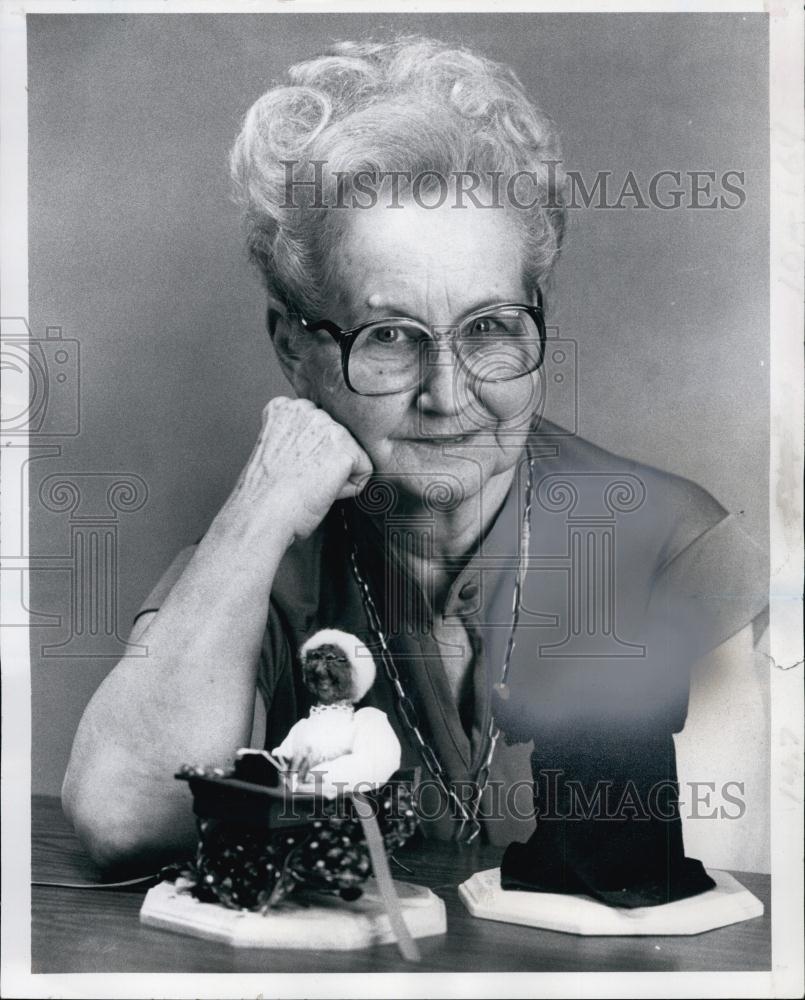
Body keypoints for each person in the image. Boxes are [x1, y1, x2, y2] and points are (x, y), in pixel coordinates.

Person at [62, 37, 767, 884]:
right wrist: (258, 509)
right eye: (389, 336)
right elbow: (123, 818)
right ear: (294, 346)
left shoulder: (674, 551)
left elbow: (715, 897)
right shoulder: (256, 569)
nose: (448, 391)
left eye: (491, 327)